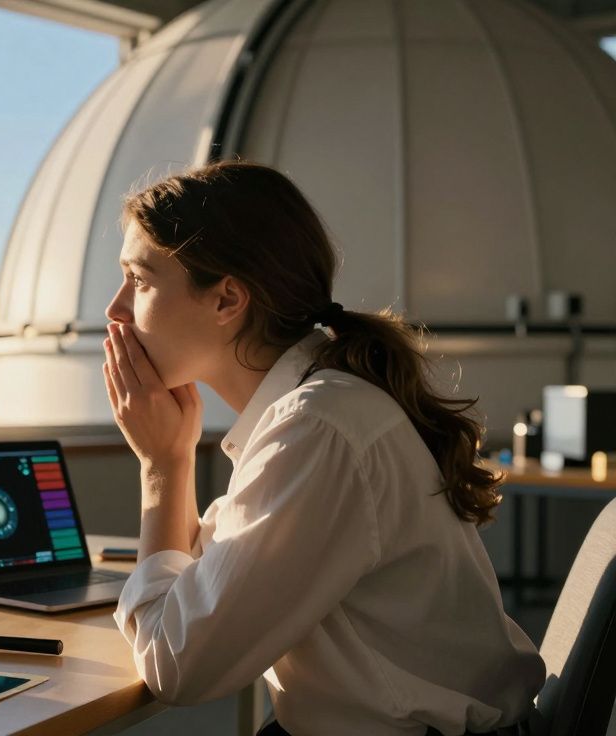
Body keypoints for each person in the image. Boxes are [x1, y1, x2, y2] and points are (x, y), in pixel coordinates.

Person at [102, 161, 544, 736]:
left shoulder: (316, 429)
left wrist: (161, 466)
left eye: (138, 280)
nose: (116, 309)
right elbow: (201, 581)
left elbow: (177, 666)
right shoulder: (314, 408)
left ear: (227, 300)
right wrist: (174, 455)